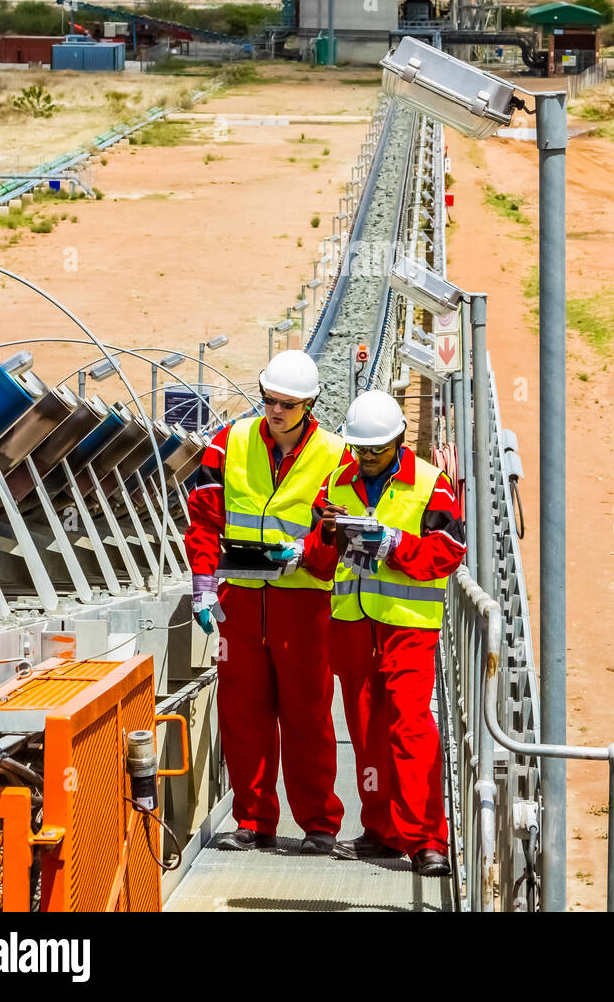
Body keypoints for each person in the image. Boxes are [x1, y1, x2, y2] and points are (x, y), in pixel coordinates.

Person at [184, 349, 348, 854]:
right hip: (241, 599)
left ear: (310, 404)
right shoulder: (228, 444)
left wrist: (307, 553)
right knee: (243, 712)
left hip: (303, 604)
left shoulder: (335, 454)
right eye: (269, 400)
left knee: (307, 715)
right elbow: (206, 518)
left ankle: (319, 825)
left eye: (288, 404)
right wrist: (203, 583)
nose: (275, 411)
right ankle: (253, 821)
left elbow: (337, 530)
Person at [309, 389, 466, 876]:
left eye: (376, 449)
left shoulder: (431, 484)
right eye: (360, 449)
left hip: (407, 626)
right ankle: (380, 831)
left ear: (398, 439)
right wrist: (328, 535)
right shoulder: (336, 483)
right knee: (366, 733)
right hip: (352, 625)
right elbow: (318, 564)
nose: (367, 458)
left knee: (410, 729)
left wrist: (395, 545)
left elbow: (448, 553)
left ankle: (427, 840)